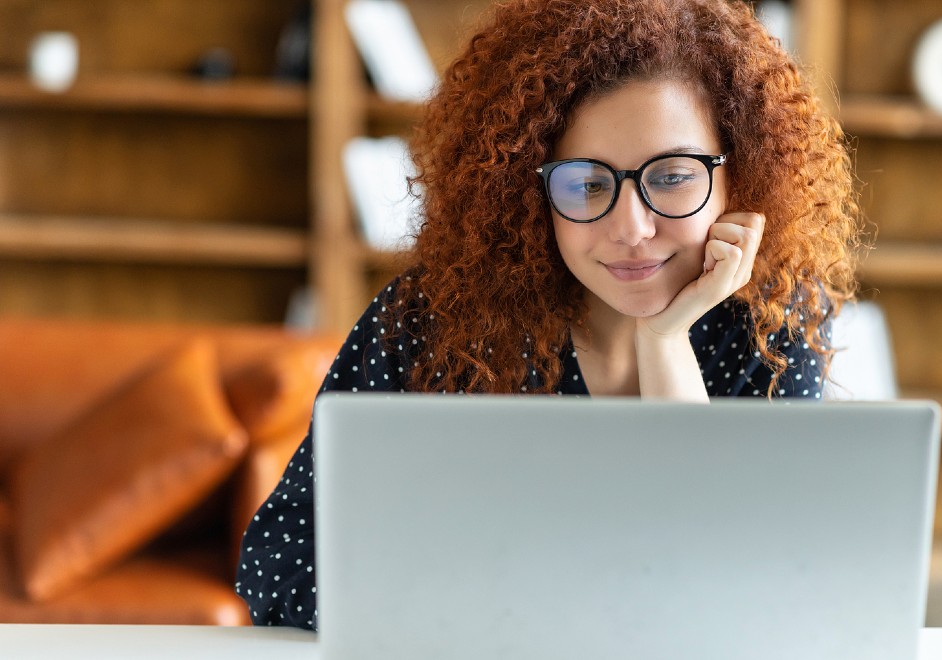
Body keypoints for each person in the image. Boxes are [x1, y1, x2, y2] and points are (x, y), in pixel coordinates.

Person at [236, 0, 862, 630]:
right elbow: (278, 563)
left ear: (741, 175)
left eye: (672, 176)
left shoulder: (773, 321)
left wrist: (665, 338)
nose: (633, 229)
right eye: (587, 184)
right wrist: (496, 618)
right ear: (530, 194)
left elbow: (749, 587)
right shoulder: (432, 320)